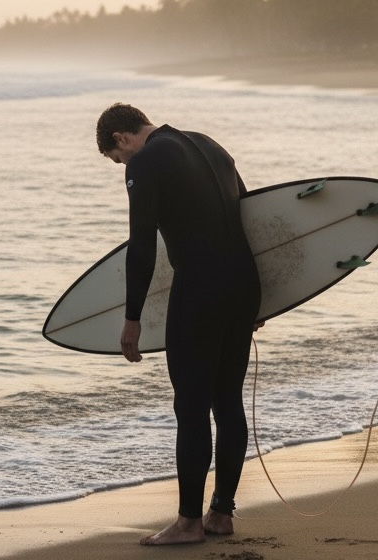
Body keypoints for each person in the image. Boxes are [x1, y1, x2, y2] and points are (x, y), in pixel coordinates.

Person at [95, 103, 262, 545]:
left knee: (190, 407)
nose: (123, 166)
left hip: (200, 292)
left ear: (120, 139)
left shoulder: (146, 161)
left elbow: (142, 245)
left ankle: (189, 522)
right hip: (243, 286)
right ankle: (221, 514)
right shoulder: (209, 144)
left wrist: (132, 319)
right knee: (227, 401)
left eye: (118, 160)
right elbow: (251, 217)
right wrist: (262, 300)